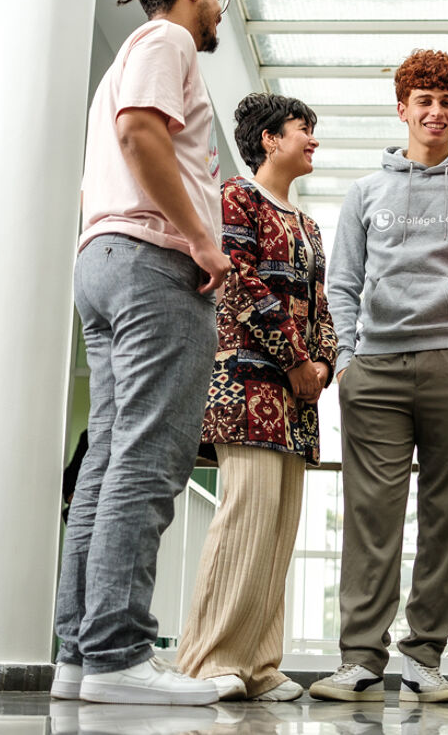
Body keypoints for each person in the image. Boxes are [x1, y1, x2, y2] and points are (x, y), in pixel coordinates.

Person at [52, 0, 233, 707]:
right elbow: (140, 133)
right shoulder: (165, 40)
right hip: (152, 263)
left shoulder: (127, 55)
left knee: (106, 460)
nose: (220, 5)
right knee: (150, 458)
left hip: (104, 260)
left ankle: (80, 652)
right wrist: (198, 236)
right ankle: (121, 652)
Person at [311, 49, 448, 704]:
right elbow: (340, 283)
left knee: (445, 515)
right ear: (401, 108)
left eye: (447, 101)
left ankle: (425, 657)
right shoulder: (365, 192)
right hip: (373, 370)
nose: (436, 111)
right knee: (371, 517)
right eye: (424, 100)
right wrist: (346, 359)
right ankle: (359, 658)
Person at [177, 93, 337, 702]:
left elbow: (322, 303)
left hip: (298, 397)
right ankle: (208, 659)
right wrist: (296, 359)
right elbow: (236, 283)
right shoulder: (235, 198)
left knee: (277, 529)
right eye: (304, 129)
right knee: (243, 520)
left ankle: (260, 664)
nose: (312, 140)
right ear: (270, 139)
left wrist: (321, 361)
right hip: (246, 385)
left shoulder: (308, 224)